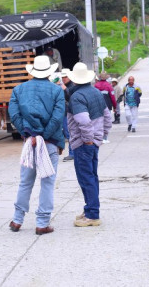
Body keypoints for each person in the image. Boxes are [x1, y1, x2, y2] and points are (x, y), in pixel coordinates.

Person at [7, 56, 65, 235]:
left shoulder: (18, 90)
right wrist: (44, 136)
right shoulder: (56, 91)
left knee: (25, 182)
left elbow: (14, 115)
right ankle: (42, 223)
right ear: (49, 71)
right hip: (48, 143)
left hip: (29, 142)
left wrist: (29, 134)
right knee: (47, 183)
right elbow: (57, 118)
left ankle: (17, 220)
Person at [66, 62, 112, 227]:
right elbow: (108, 117)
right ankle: (90, 209)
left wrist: (87, 139)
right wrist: (101, 135)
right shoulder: (96, 92)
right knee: (92, 177)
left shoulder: (77, 97)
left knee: (86, 178)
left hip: (84, 143)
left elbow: (84, 121)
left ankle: (92, 214)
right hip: (94, 142)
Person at [95, 72, 116, 143]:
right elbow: (112, 97)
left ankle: (99, 137)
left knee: (98, 122)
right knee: (106, 122)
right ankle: (105, 137)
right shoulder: (109, 86)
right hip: (107, 106)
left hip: (97, 106)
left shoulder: (96, 85)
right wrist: (115, 106)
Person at [61, 69, 77, 162]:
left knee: (70, 133)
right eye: (62, 77)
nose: (64, 79)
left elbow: (73, 98)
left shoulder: (72, 86)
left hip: (70, 113)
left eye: (65, 77)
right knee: (67, 133)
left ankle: (72, 153)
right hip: (64, 112)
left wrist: (65, 89)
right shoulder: (64, 86)